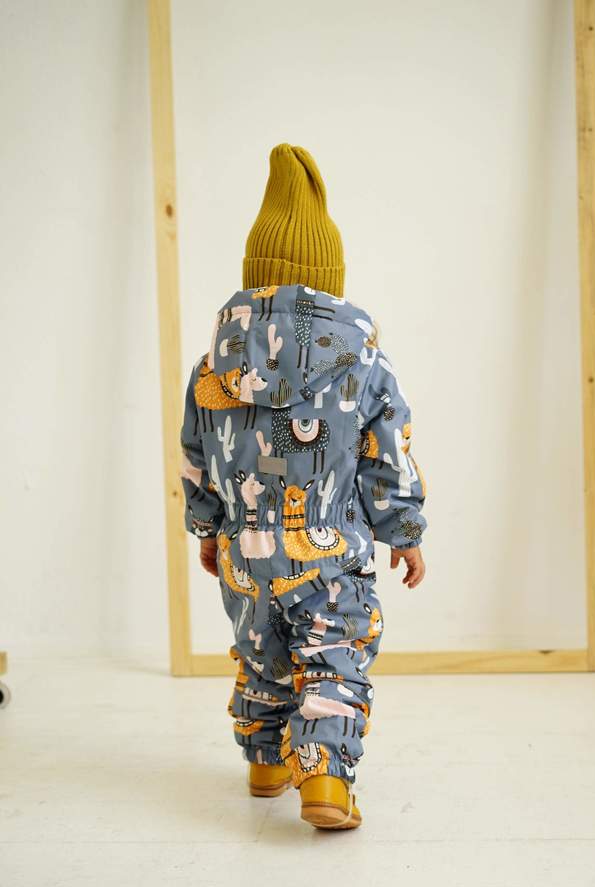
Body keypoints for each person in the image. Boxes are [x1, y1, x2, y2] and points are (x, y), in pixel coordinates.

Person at [180, 143, 426, 830]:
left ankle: (265, 765)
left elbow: (196, 455)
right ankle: (323, 782)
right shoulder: (366, 364)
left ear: (253, 280)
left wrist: (207, 529)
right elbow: (387, 456)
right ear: (329, 285)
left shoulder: (212, 368)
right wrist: (403, 531)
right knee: (331, 656)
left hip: (244, 553)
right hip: (329, 551)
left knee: (262, 655)